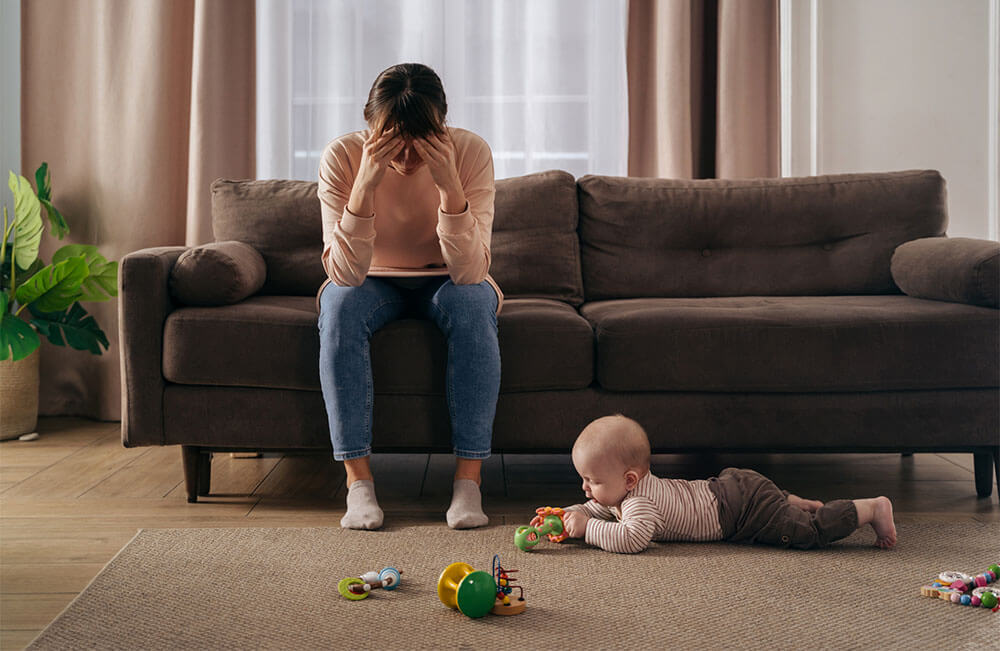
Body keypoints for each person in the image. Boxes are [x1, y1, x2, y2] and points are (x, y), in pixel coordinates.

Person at [316, 63, 501, 531]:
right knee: (337, 306)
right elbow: (343, 273)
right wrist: (365, 185)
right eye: (393, 139)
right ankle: (358, 485)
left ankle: (468, 484)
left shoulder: (471, 151)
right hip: (370, 279)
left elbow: (470, 271)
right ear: (370, 126)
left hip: (448, 278)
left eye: (420, 140)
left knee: (475, 302)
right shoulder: (341, 156)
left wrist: (448, 185)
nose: (406, 157)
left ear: (441, 125)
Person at [558, 414, 898, 554]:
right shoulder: (623, 492)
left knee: (807, 533)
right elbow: (596, 507)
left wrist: (587, 529)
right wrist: (566, 515)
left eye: (592, 480)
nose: (586, 489)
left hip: (741, 511)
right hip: (730, 486)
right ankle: (794, 501)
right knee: (776, 503)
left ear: (629, 479)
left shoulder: (638, 504)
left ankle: (869, 508)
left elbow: (632, 539)